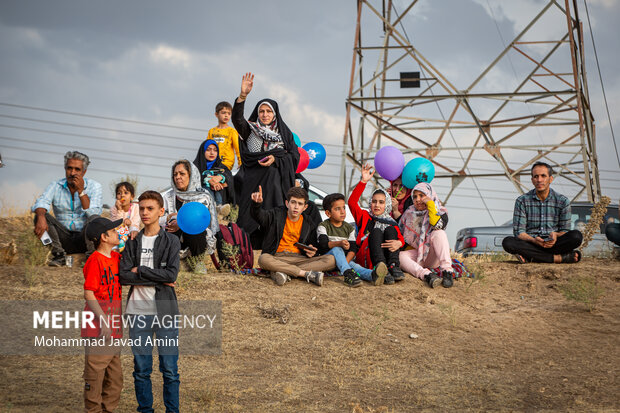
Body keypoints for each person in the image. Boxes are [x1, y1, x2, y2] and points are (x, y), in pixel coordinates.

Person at [119, 190, 181, 413]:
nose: (144, 213)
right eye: (142, 208)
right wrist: (155, 274)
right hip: (138, 314)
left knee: (170, 370)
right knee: (141, 370)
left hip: (165, 313)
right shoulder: (132, 242)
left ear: (161, 212)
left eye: (150, 209)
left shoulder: (171, 241)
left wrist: (141, 270)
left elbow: (171, 275)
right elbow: (124, 275)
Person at [232, 72, 299, 248]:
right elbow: (237, 120)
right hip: (253, 180)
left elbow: (293, 157)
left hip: (276, 185)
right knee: (249, 216)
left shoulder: (284, 134)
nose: (265, 114)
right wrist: (243, 96)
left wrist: (275, 160)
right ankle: (246, 247)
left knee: (273, 215)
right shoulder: (251, 130)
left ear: (275, 114)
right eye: (261, 111)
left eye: (269, 111)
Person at [252, 186, 336, 286]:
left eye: (300, 204)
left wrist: (311, 251)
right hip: (277, 257)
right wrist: (257, 205)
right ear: (287, 203)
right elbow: (259, 216)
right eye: (293, 202)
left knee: (331, 259)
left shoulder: (309, 223)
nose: (296, 207)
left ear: (305, 207)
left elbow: (313, 246)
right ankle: (304, 274)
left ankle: (284, 272)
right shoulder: (276, 215)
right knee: (263, 259)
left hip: (300, 259)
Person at [82, 217, 124, 413]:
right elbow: (89, 292)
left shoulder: (115, 259)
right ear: (104, 237)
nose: (117, 233)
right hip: (99, 327)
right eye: (113, 231)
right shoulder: (94, 261)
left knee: (115, 379)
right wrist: (103, 320)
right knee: (95, 375)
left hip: (114, 328)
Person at [502, 162, 583, 263]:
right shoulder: (522, 201)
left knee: (576, 236)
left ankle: (532, 257)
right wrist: (534, 240)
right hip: (531, 244)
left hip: (555, 244)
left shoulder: (563, 201)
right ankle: (559, 258)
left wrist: (555, 235)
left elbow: (565, 231)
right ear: (532, 180)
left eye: (543, 176)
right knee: (508, 242)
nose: (539, 180)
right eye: (536, 176)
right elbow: (519, 232)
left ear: (550, 179)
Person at [32, 151, 102, 266]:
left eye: (77, 169)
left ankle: (91, 258)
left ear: (84, 172)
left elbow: (94, 213)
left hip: (85, 239)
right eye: (69, 168)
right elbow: (41, 202)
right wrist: (40, 216)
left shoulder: (95, 186)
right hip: (63, 239)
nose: (72, 173)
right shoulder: (55, 185)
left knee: (94, 219)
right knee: (39, 215)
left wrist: (81, 191)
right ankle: (58, 255)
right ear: (65, 169)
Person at [348, 164, 406, 285]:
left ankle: (393, 267)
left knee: (391, 231)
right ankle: (379, 268)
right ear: (370, 203)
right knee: (376, 231)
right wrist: (363, 181)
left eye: (381, 202)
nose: (377, 205)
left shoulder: (391, 222)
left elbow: (401, 239)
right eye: (374, 201)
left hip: (387, 255)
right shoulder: (364, 216)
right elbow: (352, 202)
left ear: (387, 205)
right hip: (367, 257)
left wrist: (399, 242)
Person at [317, 193, 388, 287]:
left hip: (344, 261)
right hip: (327, 259)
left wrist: (344, 263)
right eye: (338, 209)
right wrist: (339, 243)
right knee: (337, 249)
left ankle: (373, 275)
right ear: (328, 213)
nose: (342, 212)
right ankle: (348, 274)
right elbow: (323, 245)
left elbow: (353, 249)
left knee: (355, 266)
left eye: (343, 208)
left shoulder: (349, 228)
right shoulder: (323, 226)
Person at [160, 159, 219, 259]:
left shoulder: (202, 196)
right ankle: (171, 259)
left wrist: (181, 222)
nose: (178, 177)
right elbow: (157, 219)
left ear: (191, 175)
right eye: (175, 174)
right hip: (173, 237)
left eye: (182, 174)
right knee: (171, 222)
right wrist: (169, 218)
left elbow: (201, 220)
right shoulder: (167, 196)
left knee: (194, 226)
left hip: (197, 239)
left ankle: (197, 260)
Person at [399, 182, 453, 288]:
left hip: (433, 256)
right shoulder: (409, 213)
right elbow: (400, 233)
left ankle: (447, 272)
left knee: (439, 233)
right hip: (418, 257)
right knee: (400, 256)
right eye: (415, 197)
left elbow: (436, 225)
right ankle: (426, 275)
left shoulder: (441, 212)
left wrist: (431, 205)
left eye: (422, 195)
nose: (418, 199)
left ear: (430, 195)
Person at [193, 139, 235, 206]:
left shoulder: (222, 167)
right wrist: (208, 180)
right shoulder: (194, 167)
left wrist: (220, 177)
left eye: (215, 150)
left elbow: (230, 178)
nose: (212, 153)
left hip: (222, 207)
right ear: (202, 151)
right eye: (208, 150)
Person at [202, 101, 241, 171]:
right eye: (223, 113)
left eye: (229, 113)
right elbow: (207, 148)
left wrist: (241, 162)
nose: (226, 115)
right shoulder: (211, 131)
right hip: (213, 162)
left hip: (226, 163)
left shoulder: (232, 131)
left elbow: (238, 149)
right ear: (216, 114)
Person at [109, 181, 140, 252]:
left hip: (131, 233)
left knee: (133, 230)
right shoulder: (114, 209)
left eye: (126, 193)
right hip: (118, 235)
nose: (122, 195)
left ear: (132, 197)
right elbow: (116, 225)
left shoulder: (136, 207)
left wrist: (130, 223)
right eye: (119, 193)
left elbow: (135, 224)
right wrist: (119, 210)